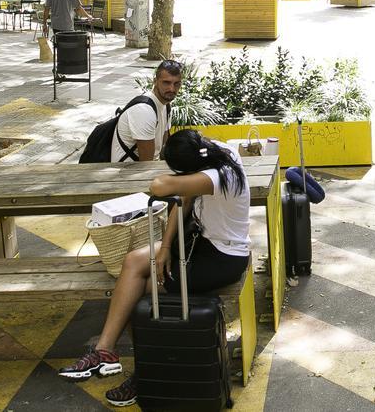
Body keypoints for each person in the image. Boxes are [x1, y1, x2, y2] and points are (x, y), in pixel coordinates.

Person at [58, 130, 251, 407]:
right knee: (135, 261)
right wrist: (164, 249)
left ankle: (146, 373)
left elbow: (160, 186)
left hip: (223, 258)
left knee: (145, 292)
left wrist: (175, 181)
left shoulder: (220, 175)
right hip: (200, 243)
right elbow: (182, 200)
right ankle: (105, 351)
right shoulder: (214, 150)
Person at [113, 60, 183, 163]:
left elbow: (164, 148)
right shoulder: (144, 111)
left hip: (149, 167)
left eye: (176, 84)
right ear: (155, 81)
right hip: (127, 173)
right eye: (166, 83)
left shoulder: (166, 105)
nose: (172, 89)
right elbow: (146, 163)